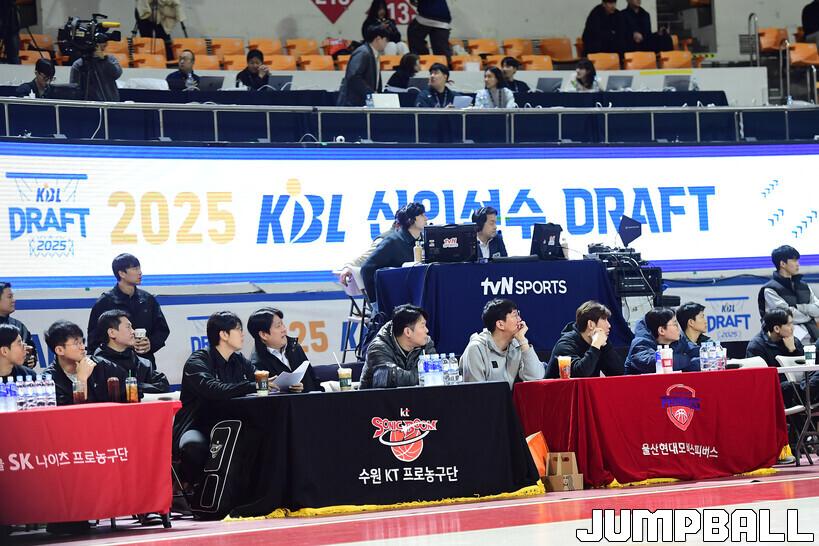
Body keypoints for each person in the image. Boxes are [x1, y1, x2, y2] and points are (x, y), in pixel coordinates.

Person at [174, 311, 258, 485]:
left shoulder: (239, 360)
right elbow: (213, 389)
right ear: (224, 334)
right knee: (193, 447)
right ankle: (194, 487)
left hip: (231, 422)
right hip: (198, 424)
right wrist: (251, 385)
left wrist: (280, 383)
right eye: (238, 329)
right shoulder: (197, 361)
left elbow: (259, 378)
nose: (243, 334)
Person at [87, 253, 170, 369]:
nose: (140, 272)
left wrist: (150, 344)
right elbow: (94, 339)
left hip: (144, 363)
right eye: (135, 269)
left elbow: (162, 329)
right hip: (113, 365)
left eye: (139, 268)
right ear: (122, 273)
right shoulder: (105, 302)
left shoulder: (147, 299)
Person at [460, 299, 544, 387]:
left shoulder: (517, 345)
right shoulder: (476, 349)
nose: (520, 319)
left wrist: (523, 341)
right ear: (500, 324)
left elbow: (536, 378)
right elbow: (475, 391)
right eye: (515, 315)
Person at [746, 308, 818, 406]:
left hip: (799, 386)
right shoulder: (756, 346)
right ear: (776, 328)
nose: (793, 328)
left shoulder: (794, 341)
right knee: (788, 386)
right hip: (777, 391)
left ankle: (807, 394)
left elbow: (805, 370)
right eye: (789, 324)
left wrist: (793, 350)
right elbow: (760, 381)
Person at [361, 202, 428, 303]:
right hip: (396, 299)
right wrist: (375, 301)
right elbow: (367, 268)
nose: (426, 218)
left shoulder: (424, 240)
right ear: (410, 220)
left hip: (417, 295)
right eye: (422, 215)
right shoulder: (392, 242)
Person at [93, 309, 169, 398]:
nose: (133, 332)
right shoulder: (97, 365)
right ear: (112, 333)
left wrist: (133, 386)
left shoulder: (142, 364)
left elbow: (163, 385)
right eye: (128, 327)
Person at [43, 320, 121, 406]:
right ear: (59, 350)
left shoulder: (100, 365)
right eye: (77, 344)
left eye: (82, 342)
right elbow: (70, 411)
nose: (83, 347)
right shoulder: (48, 381)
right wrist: (81, 380)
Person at [247, 307, 323, 393]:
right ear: (264, 335)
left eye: (282, 324)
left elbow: (313, 380)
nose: (284, 329)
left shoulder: (294, 347)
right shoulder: (257, 365)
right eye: (278, 326)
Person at [359, 304, 435, 388]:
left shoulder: (426, 343)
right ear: (408, 332)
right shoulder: (378, 348)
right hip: (378, 396)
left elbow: (435, 370)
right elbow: (390, 378)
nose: (427, 330)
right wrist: (427, 376)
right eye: (422, 326)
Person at [545, 301, 624, 378]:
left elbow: (618, 373)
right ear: (590, 324)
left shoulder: (600, 341)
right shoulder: (565, 344)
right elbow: (580, 375)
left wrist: (605, 346)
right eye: (604, 319)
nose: (609, 325)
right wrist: (595, 345)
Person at [758, 245, 819, 343]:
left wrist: (799, 307)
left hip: (813, 336)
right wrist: (809, 316)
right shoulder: (770, 289)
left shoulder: (804, 286)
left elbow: (817, 309)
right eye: (794, 261)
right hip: (786, 341)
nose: (798, 264)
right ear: (782, 263)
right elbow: (786, 315)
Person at [624, 307, 700, 374]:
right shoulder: (640, 344)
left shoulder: (678, 339)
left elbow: (695, 351)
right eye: (675, 325)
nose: (679, 329)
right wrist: (687, 360)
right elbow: (653, 363)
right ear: (661, 330)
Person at [338, 24, 389, 107]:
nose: (387, 43)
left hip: (363, 103)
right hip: (353, 104)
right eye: (386, 40)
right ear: (378, 39)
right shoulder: (363, 53)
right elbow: (353, 77)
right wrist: (371, 94)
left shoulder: (372, 54)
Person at [0, 282, 37, 368]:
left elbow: (32, 350)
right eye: (9, 297)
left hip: (18, 375)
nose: (14, 300)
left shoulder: (19, 326)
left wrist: (31, 359)